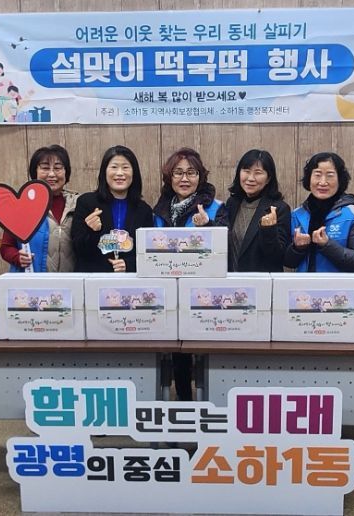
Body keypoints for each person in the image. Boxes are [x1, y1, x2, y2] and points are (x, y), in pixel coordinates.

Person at [152, 147, 227, 402]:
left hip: (207, 292)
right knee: (178, 350)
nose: (184, 179)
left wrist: (209, 226)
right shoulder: (159, 210)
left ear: (200, 177)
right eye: (178, 173)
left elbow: (228, 248)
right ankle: (183, 401)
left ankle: (211, 404)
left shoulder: (216, 207)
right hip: (170, 291)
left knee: (208, 348)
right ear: (169, 177)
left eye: (191, 173)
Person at [284, 152, 354, 272]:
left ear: (340, 179)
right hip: (304, 284)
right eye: (317, 175)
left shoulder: (353, 214)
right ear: (309, 178)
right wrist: (297, 248)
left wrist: (327, 245)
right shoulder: (297, 215)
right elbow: (288, 262)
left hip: (339, 285)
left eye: (330, 175)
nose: (323, 182)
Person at [72, 145, 153, 273]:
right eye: (114, 167)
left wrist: (129, 265)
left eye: (125, 167)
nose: (119, 173)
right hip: (93, 278)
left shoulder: (144, 210)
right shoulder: (86, 202)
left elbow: (149, 254)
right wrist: (91, 231)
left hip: (129, 281)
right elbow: (77, 249)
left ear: (134, 173)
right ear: (104, 172)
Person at [0, 145, 79, 272]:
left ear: (66, 172)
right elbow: (6, 247)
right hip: (34, 281)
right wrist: (17, 257)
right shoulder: (22, 206)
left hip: (69, 281)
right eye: (45, 168)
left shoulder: (79, 205)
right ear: (34, 172)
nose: (51, 174)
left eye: (58, 168)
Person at [226, 149, 291, 272]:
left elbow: (278, 257)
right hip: (231, 279)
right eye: (246, 171)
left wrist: (268, 229)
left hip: (260, 281)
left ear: (268, 178)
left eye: (258, 173)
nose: (251, 178)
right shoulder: (232, 203)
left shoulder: (279, 209)